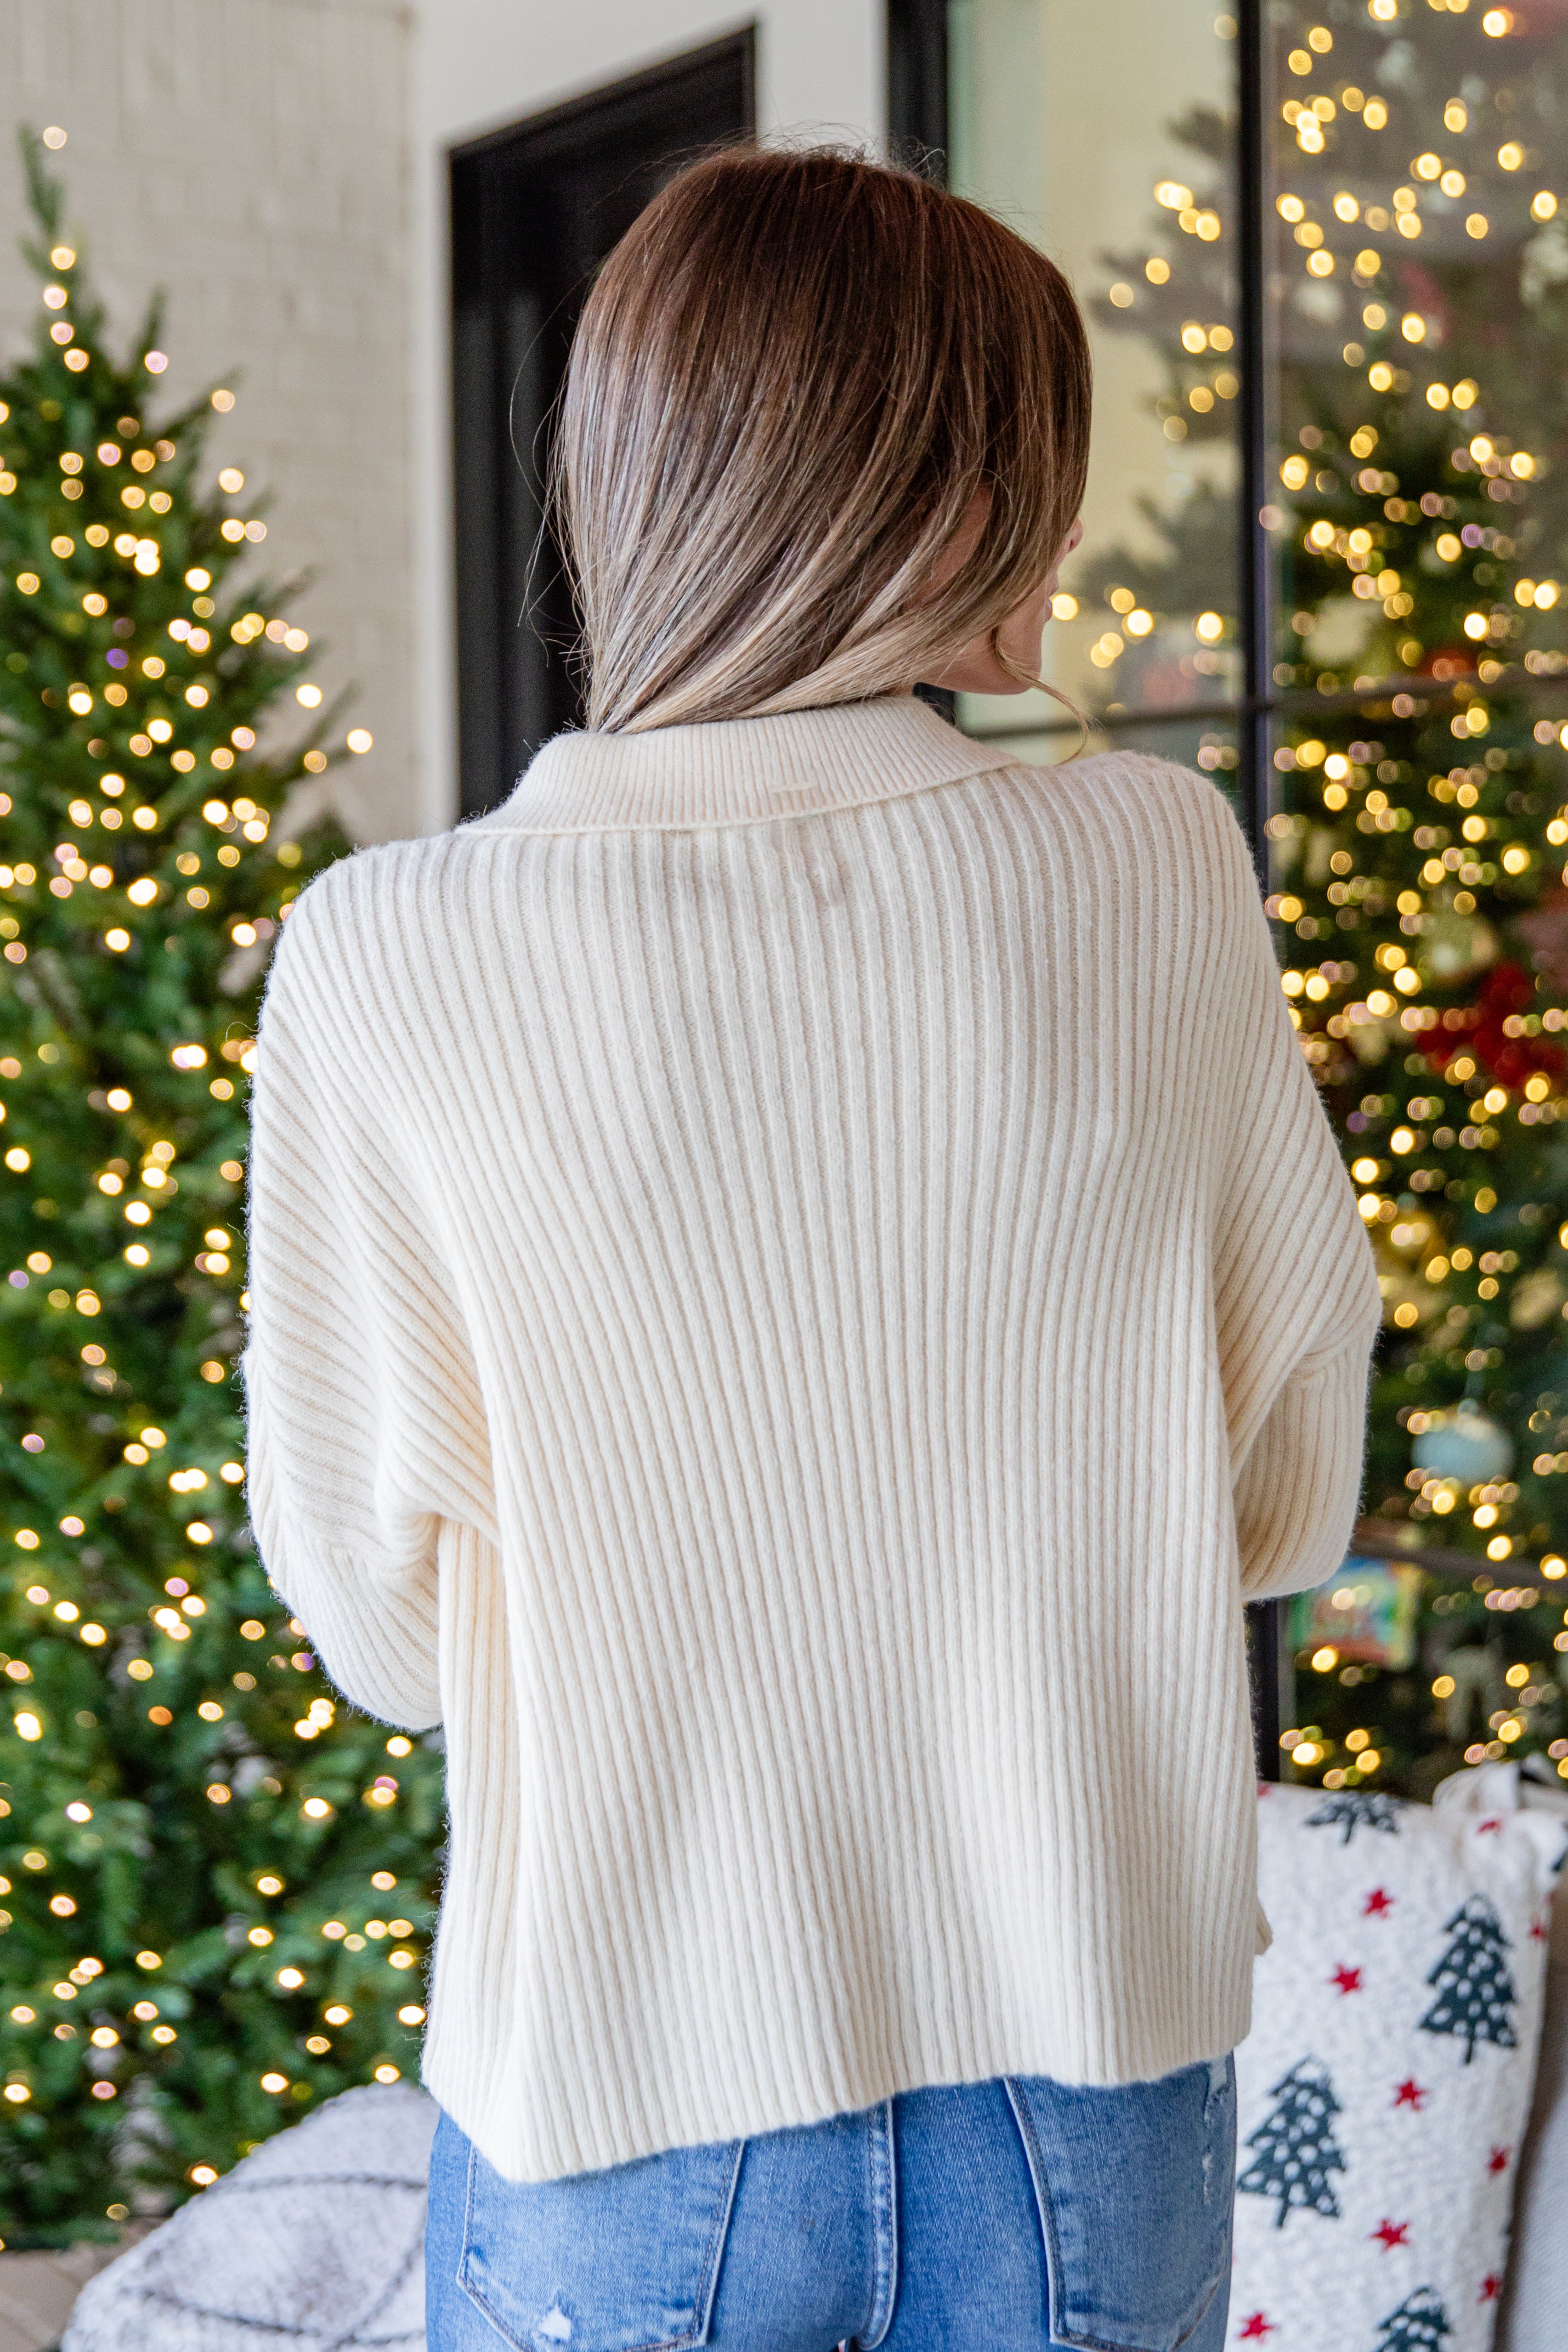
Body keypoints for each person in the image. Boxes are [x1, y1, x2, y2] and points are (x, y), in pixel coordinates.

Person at [243, 145, 1380, 2352]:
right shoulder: (1151, 864)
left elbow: (381, 1628)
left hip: (618, 2081)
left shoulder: (383, 955)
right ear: (944, 494)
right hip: (1088, 2062)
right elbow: (1276, 1495)